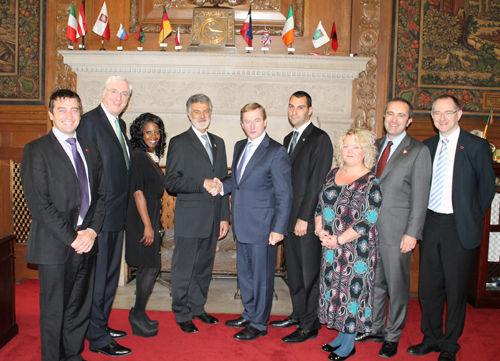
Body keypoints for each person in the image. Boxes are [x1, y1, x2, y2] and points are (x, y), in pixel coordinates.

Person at [407, 95, 495, 361]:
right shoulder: (427, 146)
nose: (442, 118)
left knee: (456, 289)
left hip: (459, 225)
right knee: (429, 287)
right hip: (431, 222)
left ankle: (449, 345)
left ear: (459, 114)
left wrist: (471, 215)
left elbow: (487, 188)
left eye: (448, 112)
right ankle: (431, 338)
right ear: (432, 117)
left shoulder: (477, 146)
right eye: (436, 113)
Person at [21, 89, 106, 361]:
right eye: (61, 110)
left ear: (80, 114)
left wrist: (91, 231)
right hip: (55, 245)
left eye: (74, 110)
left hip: (87, 242)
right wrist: (73, 237)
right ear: (50, 115)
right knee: (54, 310)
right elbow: (39, 204)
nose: (69, 116)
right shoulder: (36, 150)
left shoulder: (90, 148)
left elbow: (101, 196)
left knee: (79, 307)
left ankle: (72, 354)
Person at [356, 98, 432, 358]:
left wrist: (412, 233)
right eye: (390, 114)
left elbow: (420, 198)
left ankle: (392, 335)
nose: (394, 119)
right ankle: (375, 327)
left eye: (401, 115)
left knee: (397, 286)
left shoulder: (419, 151)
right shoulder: (375, 147)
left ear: (409, 120)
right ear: (384, 116)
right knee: (374, 282)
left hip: (398, 231)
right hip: (369, 230)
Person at [222, 102, 293, 341]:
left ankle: (260, 324)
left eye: (256, 120)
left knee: (262, 278)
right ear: (242, 124)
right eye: (247, 121)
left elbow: (285, 194)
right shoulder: (240, 146)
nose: (251, 125)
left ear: (264, 121)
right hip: (242, 224)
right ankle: (250, 313)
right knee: (246, 275)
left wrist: (279, 228)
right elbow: (237, 180)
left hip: (264, 227)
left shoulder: (276, 151)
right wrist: (220, 185)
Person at [270, 91, 333, 343]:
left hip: (305, 221)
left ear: (310, 110)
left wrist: (305, 217)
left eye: (300, 107)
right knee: (293, 272)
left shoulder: (320, 139)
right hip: (288, 218)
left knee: (309, 275)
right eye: (291, 107)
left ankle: (310, 325)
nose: (295, 111)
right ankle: (297, 314)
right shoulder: (288, 138)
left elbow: (317, 182)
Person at [164, 93, 230, 334]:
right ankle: (182, 313)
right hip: (190, 218)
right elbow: (171, 182)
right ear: (189, 114)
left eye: (205, 111)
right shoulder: (179, 142)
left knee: (203, 268)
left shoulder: (218, 142)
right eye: (197, 112)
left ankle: (197, 308)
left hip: (213, 219)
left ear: (210, 113)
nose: (202, 116)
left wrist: (224, 217)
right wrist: (201, 182)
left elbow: (223, 183)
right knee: (184, 269)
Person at [315, 127, 382, 361]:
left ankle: (349, 344)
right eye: (346, 145)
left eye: (356, 146)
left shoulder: (371, 181)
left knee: (352, 294)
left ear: (366, 151)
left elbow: (369, 220)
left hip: (357, 251)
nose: (350, 150)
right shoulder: (332, 173)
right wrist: (319, 230)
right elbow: (320, 205)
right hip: (331, 248)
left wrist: (339, 240)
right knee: (335, 291)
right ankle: (341, 337)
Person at [78, 75, 133, 357]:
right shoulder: (89, 122)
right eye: (114, 92)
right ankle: (97, 338)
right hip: (99, 218)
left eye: (124, 94)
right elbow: (87, 175)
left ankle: (100, 323)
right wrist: (90, 220)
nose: (119, 98)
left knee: (110, 276)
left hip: (117, 215)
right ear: (104, 92)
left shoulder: (120, 124)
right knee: (99, 279)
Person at [126, 113, 167, 338]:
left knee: (147, 267)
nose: (153, 136)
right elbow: (138, 191)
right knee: (150, 267)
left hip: (148, 215)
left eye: (157, 131)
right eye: (148, 131)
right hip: (142, 219)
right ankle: (137, 314)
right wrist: (148, 226)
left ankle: (138, 312)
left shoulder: (148, 156)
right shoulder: (140, 156)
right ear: (140, 133)